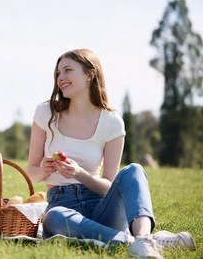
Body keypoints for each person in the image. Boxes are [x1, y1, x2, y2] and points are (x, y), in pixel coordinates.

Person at [26, 49, 195, 258]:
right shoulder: (46, 114)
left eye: (68, 70)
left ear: (90, 74)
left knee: (135, 170)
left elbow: (108, 184)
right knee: (53, 217)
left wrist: (79, 173)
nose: (60, 77)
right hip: (62, 205)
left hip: (102, 207)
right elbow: (31, 173)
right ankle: (136, 241)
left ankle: (143, 237)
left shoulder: (111, 122)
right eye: (58, 73)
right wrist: (43, 171)